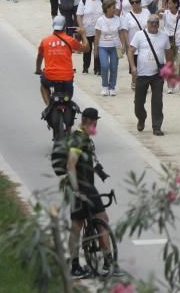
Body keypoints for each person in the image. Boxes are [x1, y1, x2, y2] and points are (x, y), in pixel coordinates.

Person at [65, 107, 116, 279]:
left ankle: (106, 262)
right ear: (89, 121)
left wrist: (100, 172)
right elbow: (71, 165)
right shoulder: (78, 138)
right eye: (95, 122)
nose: (96, 125)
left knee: (97, 221)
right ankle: (76, 266)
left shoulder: (84, 138)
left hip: (87, 186)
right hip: (80, 187)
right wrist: (77, 190)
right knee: (82, 224)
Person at [128, 15, 172, 135]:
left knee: (157, 101)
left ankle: (156, 126)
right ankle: (141, 118)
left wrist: (168, 68)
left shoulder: (164, 36)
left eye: (156, 23)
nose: (154, 25)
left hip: (158, 74)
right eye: (151, 22)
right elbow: (131, 51)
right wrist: (133, 67)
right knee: (138, 102)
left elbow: (168, 53)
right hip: (142, 74)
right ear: (147, 23)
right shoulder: (139, 35)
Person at [35, 15, 88, 106]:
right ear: (64, 27)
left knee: (43, 85)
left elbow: (40, 57)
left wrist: (38, 69)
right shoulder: (70, 40)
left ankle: (48, 105)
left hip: (50, 77)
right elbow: (86, 49)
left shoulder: (45, 41)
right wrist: (83, 34)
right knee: (68, 96)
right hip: (67, 77)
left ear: (53, 26)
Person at [159, 0, 180, 93]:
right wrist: (159, 11)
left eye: (170, 3)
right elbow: (158, 16)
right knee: (169, 63)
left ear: (176, 4)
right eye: (168, 3)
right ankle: (170, 85)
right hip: (169, 42)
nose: (168, 5)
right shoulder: (166, 13)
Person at [94, 0, 122, 96]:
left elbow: (121, 33)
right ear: (107, 8)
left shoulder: (118, 19)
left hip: (115, 46)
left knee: (114, 67)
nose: (115, 9)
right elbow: (97, 35)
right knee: (105, 66)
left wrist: (123, 47)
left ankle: (112, 86)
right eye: (113, 7)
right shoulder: (100, 20)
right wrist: (95, 49)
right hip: (103, 46)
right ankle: (105, 86)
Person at [77, 0, 103, 74]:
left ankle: (97, 69)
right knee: (87, 50)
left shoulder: (101, 1)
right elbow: (79, 16)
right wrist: (81, 28)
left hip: (98, 30)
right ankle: (85, 67)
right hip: (87, 30)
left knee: (98, 49)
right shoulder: (84, 1)